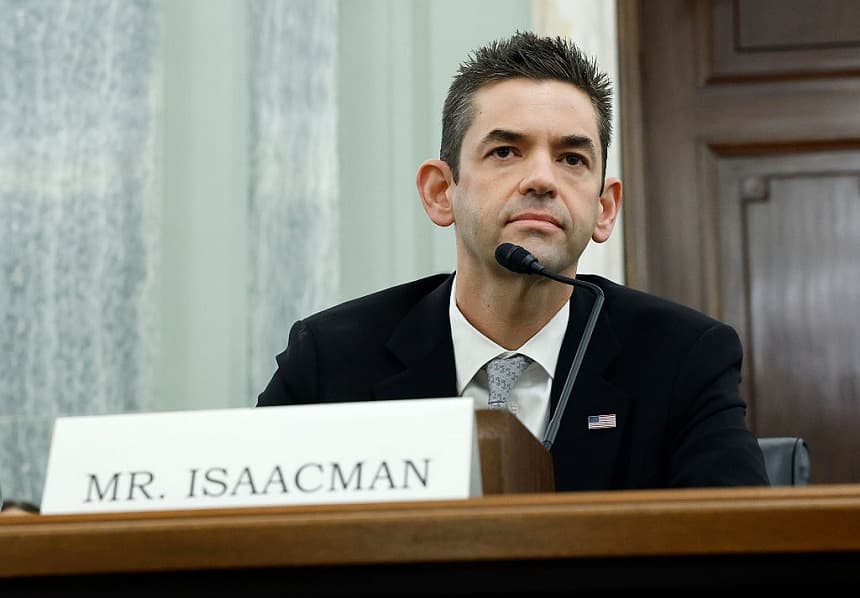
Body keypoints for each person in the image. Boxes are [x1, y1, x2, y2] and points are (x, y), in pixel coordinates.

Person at [258, 31, 769, 491]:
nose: (542, 179)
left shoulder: (683, 359)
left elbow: (739, 548)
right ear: (441, 193)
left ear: (604, 208)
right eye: (506, 151)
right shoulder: (331, 360)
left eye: (572, 158)